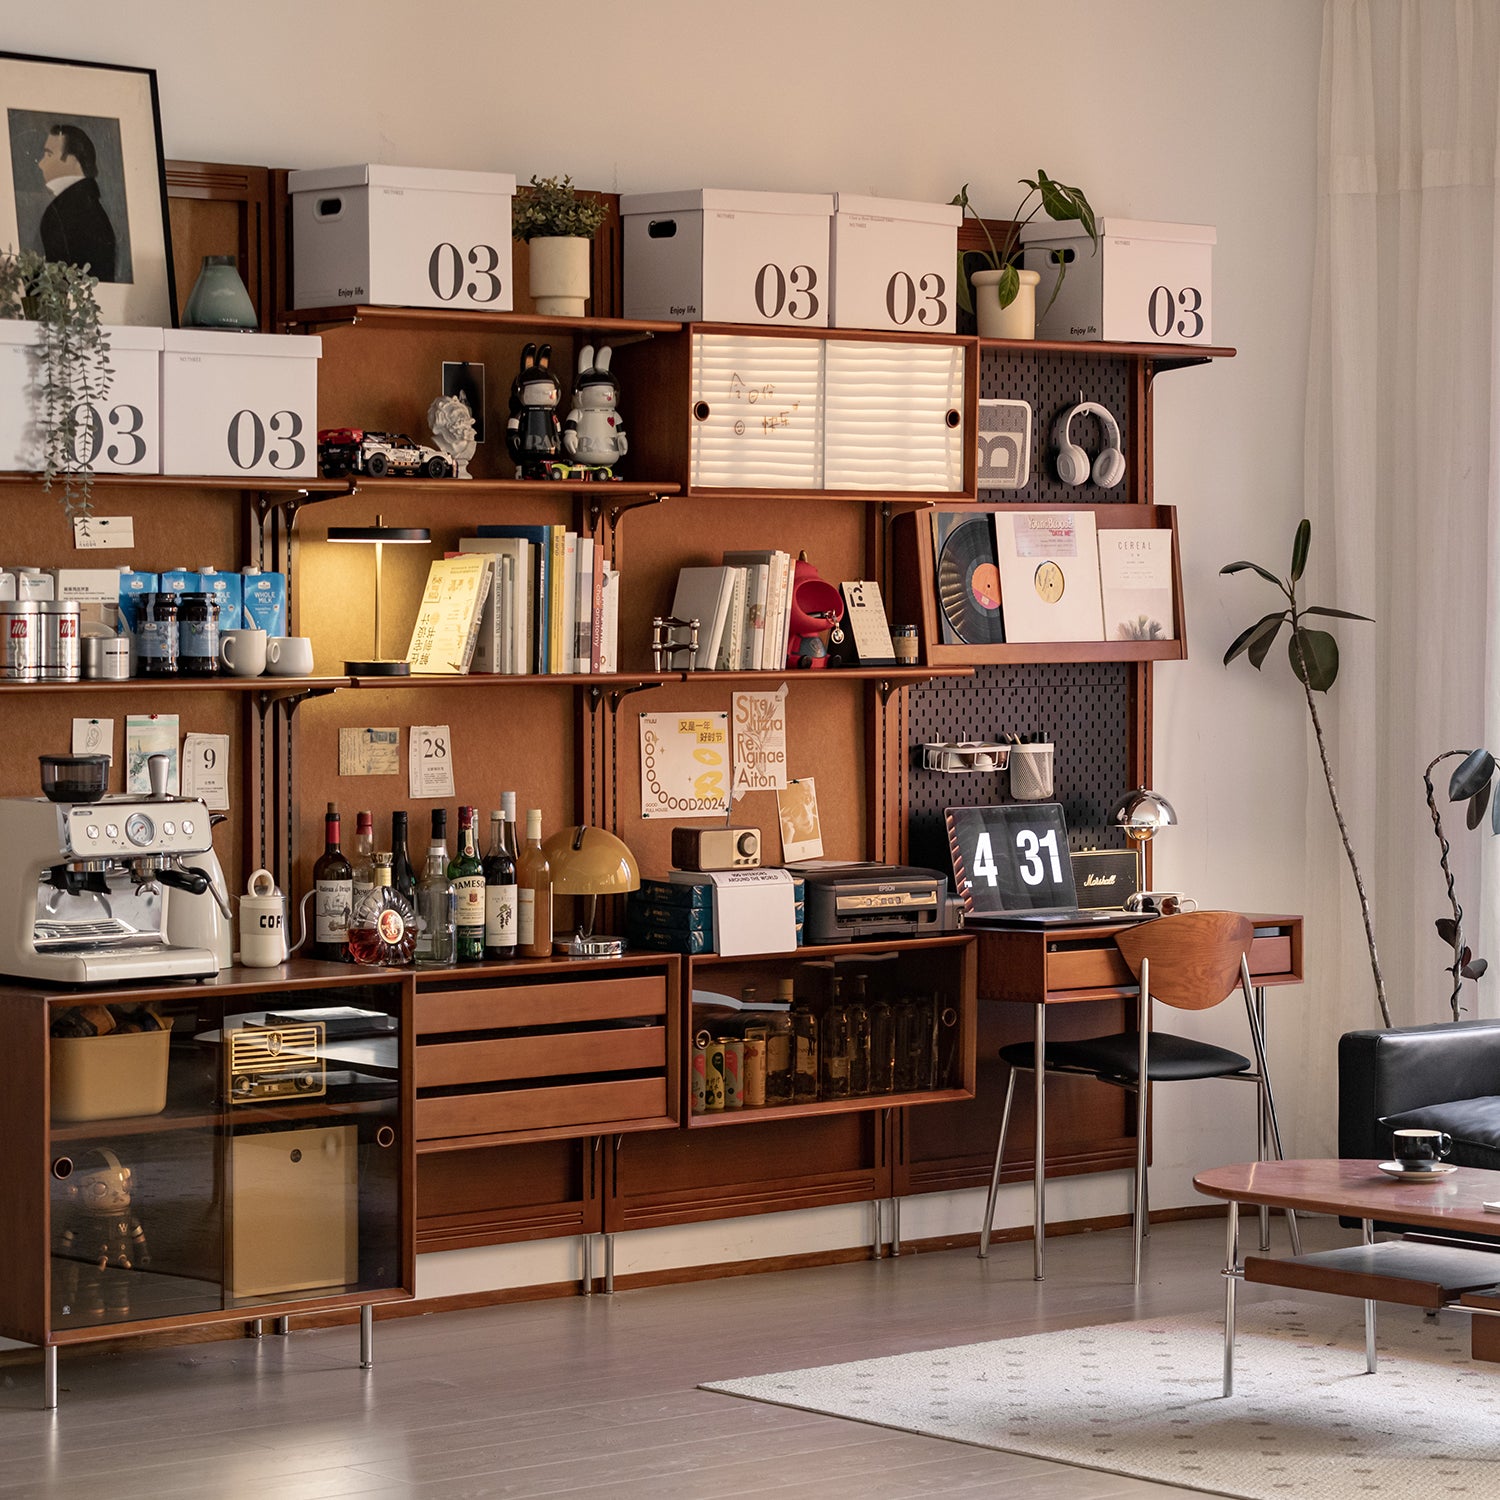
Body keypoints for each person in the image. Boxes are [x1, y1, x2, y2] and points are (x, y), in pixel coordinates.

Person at [37, 123, 117, 281]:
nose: (40, 163)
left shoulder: (67, 210)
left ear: (72, 161)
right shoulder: (88, 205)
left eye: (49, 155)